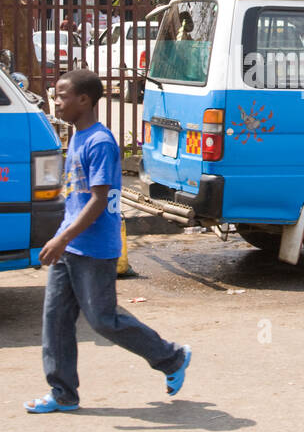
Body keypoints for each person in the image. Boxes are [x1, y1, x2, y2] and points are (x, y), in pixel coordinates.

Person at [25, 69, 191, 413]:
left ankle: (171, 357)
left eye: (61, 95)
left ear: (83, 100)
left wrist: (63, 238)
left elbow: (99, 200)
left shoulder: (100, 142)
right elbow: (76, 198)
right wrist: (60, 236)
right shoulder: (78, 138)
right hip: (69, 244)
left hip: (94, 247)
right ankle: (63, 394)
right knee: (55, 319)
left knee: (103, 319)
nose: (56, 102)